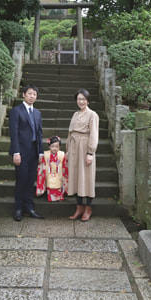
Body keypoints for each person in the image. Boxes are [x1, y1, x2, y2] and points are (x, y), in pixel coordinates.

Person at [9, 84, 44, 221]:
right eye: (29, 93)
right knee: (21, 181)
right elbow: (14, 133)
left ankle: (29, 208)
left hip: (34, 152)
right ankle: (18, 209)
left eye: (34, 94)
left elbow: (39, 134)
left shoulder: (37, 113)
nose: (32, 96)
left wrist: (40, 153)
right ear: (24, 94)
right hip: (21, 152)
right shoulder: (16, 111)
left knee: (30, 181)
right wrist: (15, 152)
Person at [66, 88, 99, 222]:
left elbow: (94, 134)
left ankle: (88, 208)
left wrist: (90, 152)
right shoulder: (75, 114)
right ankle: (79, 207)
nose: (81, 101)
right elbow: (70, 133)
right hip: (74, 147)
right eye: (79, 99)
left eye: (83, 99)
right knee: (76, 177)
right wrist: (68, 149)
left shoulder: (92, 115)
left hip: (85, 147)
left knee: (87, 178)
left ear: (88, 100)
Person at [36, 135, 68, 202]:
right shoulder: (46, 154)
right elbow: (42, 164)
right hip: (49, 173)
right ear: (49, 146)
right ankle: (51, 197)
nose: (54, 148)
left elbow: (65, 164)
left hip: (58, 173)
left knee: (58, 183)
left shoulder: (62, 154)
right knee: (50, 183)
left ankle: (59, 196)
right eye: (52, 146)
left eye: (57, 147)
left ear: (59, 147)